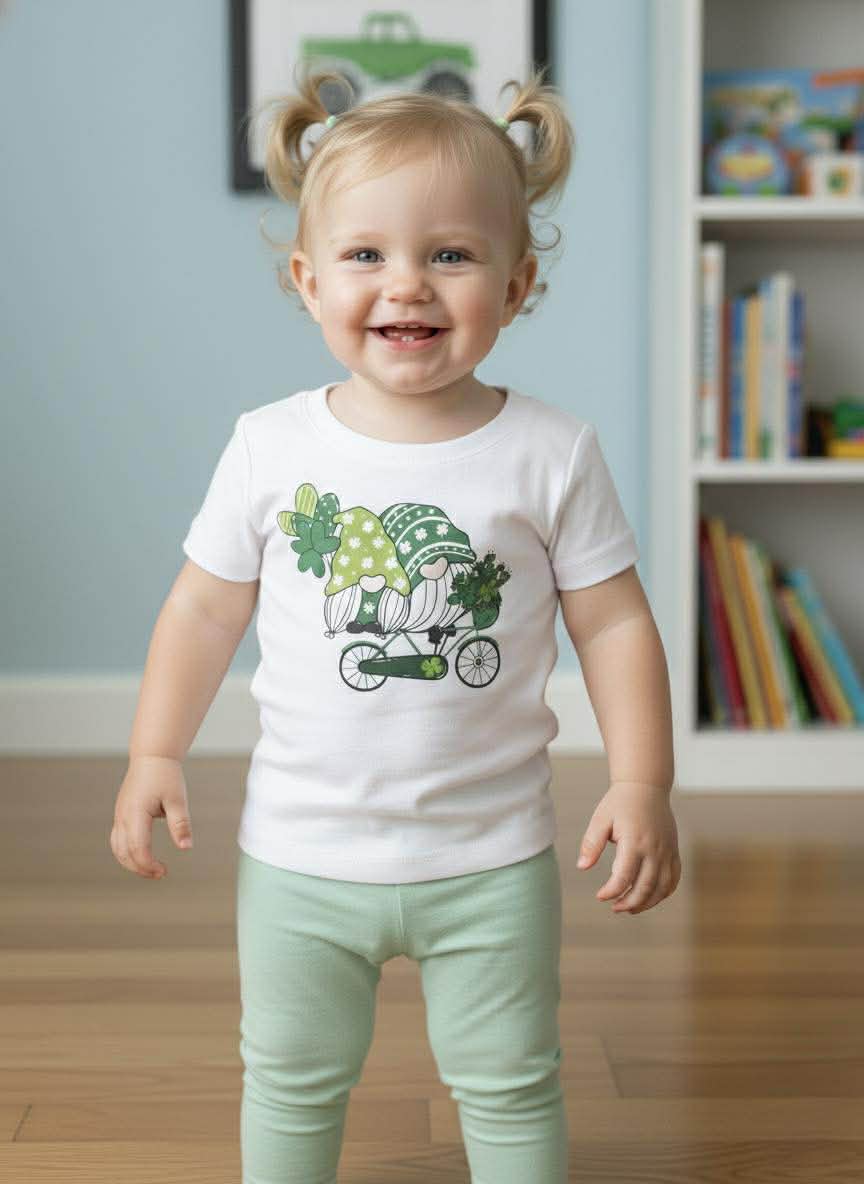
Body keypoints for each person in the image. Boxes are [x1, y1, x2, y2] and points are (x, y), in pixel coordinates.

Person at [110, 61, 680, 1184]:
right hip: (301, 856)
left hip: (493, 856)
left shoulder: (550, 450)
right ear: (308, 278)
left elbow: (613, 625)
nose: (407, 285)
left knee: (512, 1078)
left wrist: (640, 779)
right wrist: (153, 748)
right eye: (367, 255)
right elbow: (202, 605)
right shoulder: (271, 445)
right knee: (289, 1073)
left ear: (516, 285)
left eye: (450, 254)